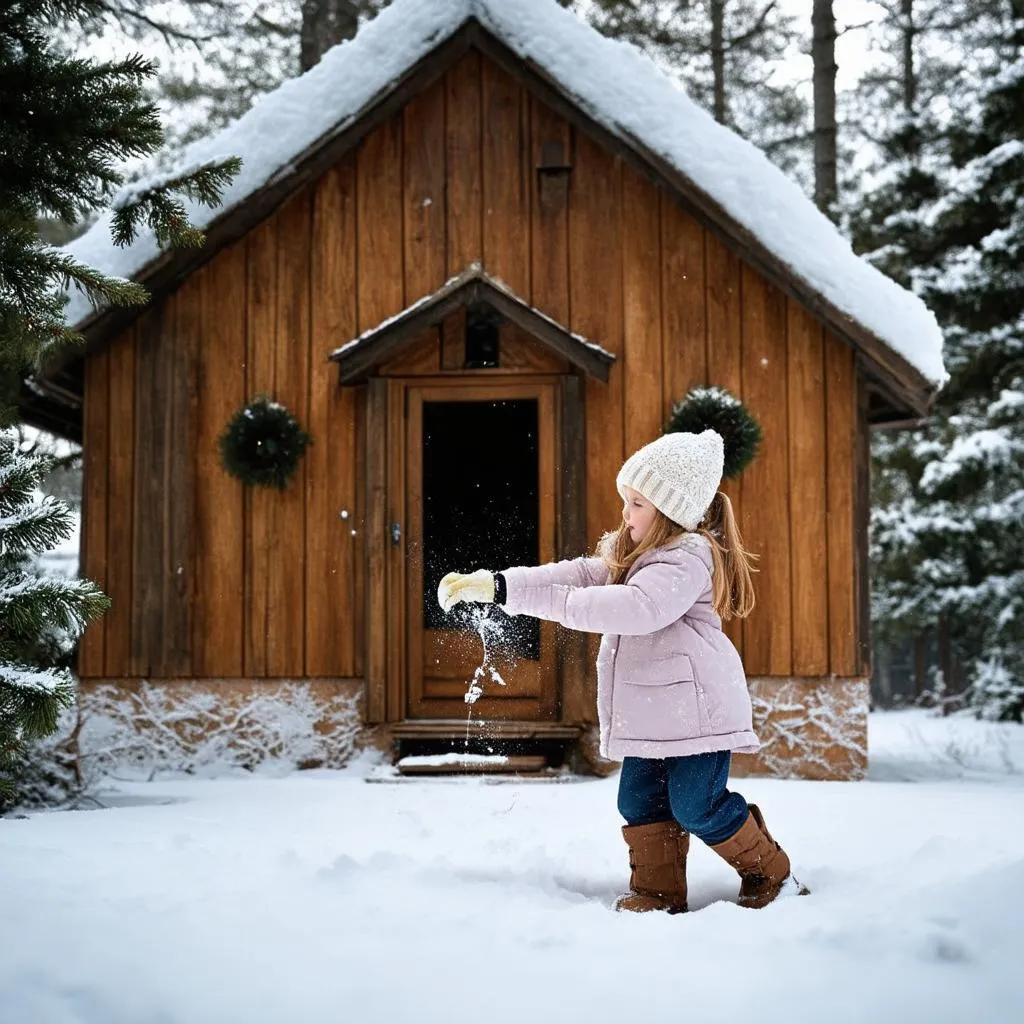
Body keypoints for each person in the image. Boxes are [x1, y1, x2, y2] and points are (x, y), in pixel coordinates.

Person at [437, 429, 809, 914]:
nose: (625, 513)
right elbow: (572, 573)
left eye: (636, 503)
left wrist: (561, 607)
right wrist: (501, 586)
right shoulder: (631, 553)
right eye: (626, 501)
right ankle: (657, 893)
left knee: (696, 803)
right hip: (655, 713)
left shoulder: (688, 557)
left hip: (697, 713)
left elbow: (638, 608)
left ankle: (771, 873)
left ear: (669, 512)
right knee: (638, 803)